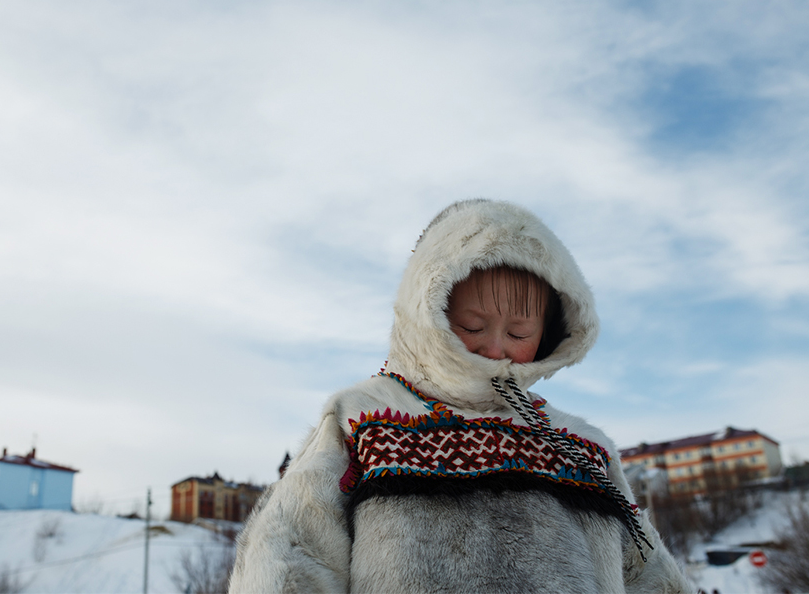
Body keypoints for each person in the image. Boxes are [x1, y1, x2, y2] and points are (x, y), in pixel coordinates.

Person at [229, 199, 692, 593]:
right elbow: (293, 549)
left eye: (518, 331)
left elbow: (643, 568)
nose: (495, 348)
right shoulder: (364, 418)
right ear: (428, 311)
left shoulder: (578, 445)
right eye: (473, 326)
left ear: (550, 333)